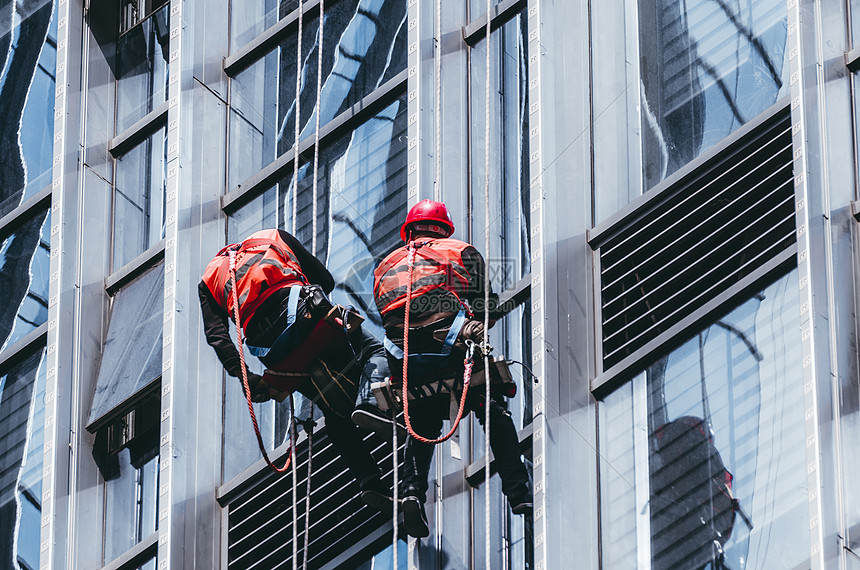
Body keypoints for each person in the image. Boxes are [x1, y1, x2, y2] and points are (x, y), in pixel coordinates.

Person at [199, 228, 390, 511]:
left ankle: (370, 481)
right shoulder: (273, 236)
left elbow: (217, 336)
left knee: (333, 409)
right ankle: (371, 404)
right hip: (306, 317)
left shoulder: (210, 278)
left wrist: (245, 377)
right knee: (372, 352)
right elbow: (324, 280)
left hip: (275, 352)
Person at [373, 200, 532, 538]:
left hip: (404, 356)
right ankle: (518, 491)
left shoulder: (386, 263)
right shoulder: (461, 251)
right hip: (449, 344)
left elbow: (385, 312)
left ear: (410, 231)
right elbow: (484, 306)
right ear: (443, 228)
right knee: (490, 405)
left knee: (424, 420)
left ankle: (412, 492)